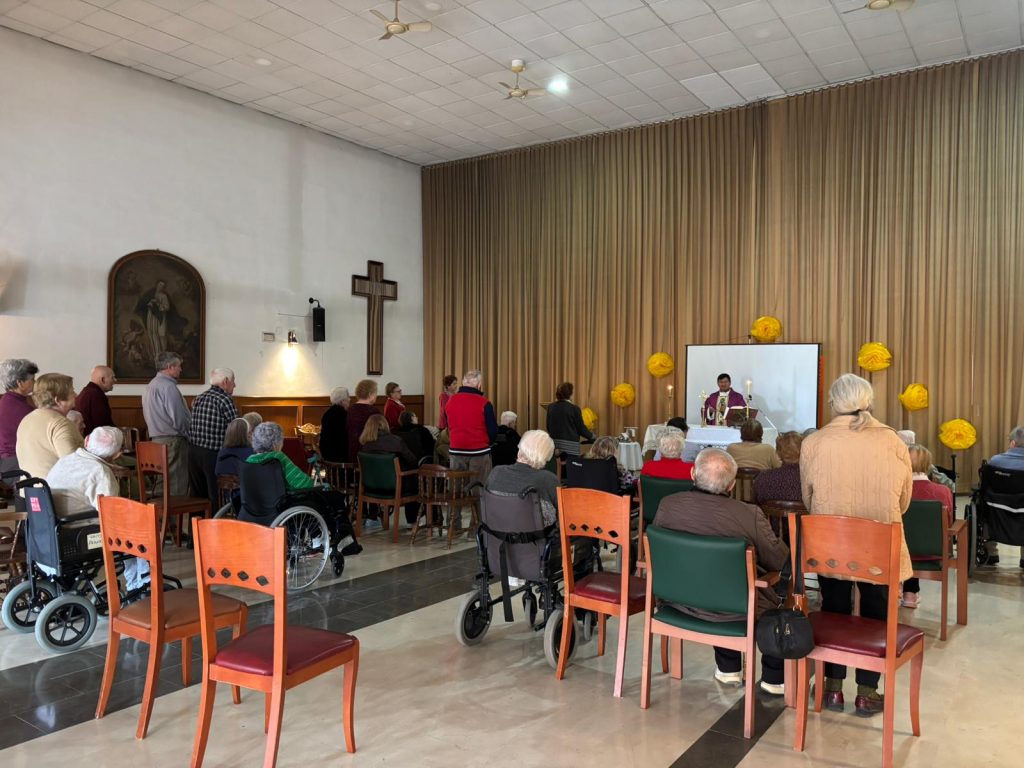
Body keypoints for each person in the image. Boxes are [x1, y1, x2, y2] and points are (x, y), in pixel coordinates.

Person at [800, 373, 912, 717]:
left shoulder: (815, 441)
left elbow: (808, 498)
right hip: (878, 544)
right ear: (869, 401)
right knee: (877, 611)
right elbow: (905, 499)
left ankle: (831, 688)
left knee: (833, 606)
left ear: (833, 402)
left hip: (831, 542)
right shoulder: (891, 440)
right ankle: (867, 692)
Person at [653, 448, 789, 695]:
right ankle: (774, 678)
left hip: (677, 601)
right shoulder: (749, 514)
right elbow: (779, 560)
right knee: (779, 593)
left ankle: (728, 668)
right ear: (731, 485)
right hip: (733, 609)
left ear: (693, 473)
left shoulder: (667, 505)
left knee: (716, 579)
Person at [46, 426, 150, 591]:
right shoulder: (100, 472)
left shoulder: (65, 460)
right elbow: (111, 514)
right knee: (140, 526)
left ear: (87, 440)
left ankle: (138, 578)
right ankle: (142, 579)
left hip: (55, 530)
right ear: (117, 454)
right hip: (80, 534)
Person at [245, 422, 361, 555]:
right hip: (285, 504)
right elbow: (304, 484)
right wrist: (318, 485)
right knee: (334, 497)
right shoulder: (277, 458)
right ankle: (344, 541)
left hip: (258, 505)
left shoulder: (249, 460)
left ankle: (320, 535)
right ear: (276, 442)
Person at [901, 443, 955, 608]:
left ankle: (901, 591)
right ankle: (910, 594)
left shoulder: (897, 491)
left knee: (908, 537)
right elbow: (949, 522)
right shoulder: (943, 491)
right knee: (919, 534)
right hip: (935, 553)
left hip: (898, 552)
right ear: (928, 465)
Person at [16, 373, 84, 479]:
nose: (76, 395)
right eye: (72, 391)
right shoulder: (60, 423)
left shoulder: (27, 419)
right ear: (58, 400)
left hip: (28, 487)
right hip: (55, 488)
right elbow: (73, 464)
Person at [141, 351, 190, 496]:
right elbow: (178, 419)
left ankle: (160, 511)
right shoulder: (168, 387)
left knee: (162, 483)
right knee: (176, 484)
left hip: (156, 440)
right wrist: (189, 435)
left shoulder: (151, 385)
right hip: (173, 441)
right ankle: (174, 512)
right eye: (179, 366)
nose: (181, 369)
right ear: (169, 367)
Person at [486, 430, 560, 525]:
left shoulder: (496, 472)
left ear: (520, 450)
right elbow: (564, 512)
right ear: (545, 457)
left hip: (496, 532)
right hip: (537, 534)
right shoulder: (548, 479)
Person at [188, 368, 239, 507]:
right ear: (225, 381)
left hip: (193, 453)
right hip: (212, 455)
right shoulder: (225, 400)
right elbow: (236, 429)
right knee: (215, 497)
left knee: (197, 497)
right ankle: (214, 521)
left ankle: (196, 521)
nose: (235, 385)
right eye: (233, 381)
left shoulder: (200, 397)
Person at [359, 414, 420, 524]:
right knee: (414, 482)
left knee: (376, 475)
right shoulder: (396, 441)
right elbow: (412, 461)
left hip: (371, 488)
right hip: (395, 487)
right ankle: (412, 521)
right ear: (384, 425)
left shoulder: (365, 446)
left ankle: (372, 517)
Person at [0, 358, 38, 477]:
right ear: (20, 383)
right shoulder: (21, 409)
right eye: (32, 379)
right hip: (16, 465)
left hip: (7, 462)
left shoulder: (6, 400)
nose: (35, 382)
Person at [753, 431, 803, 504]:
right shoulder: (812, 479)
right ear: (805, 451)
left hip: (767, 512)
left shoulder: (763, 478)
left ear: (778, 453)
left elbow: (757, 503)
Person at [545, 382, 594, 456]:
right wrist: (592, 437)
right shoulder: (575, 409)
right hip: (571, 449)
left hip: (554, 447)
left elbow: (548, 427)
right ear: (570, 394)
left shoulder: (550, 407)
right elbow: (581, 429)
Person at [73, 365, 117, 436]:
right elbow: (103, 427)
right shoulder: (95, 395)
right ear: (103, 380)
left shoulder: (88, 391)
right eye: (112, 377)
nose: (115, 380)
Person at [347, 379, 380, 463]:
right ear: (370, 394)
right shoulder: (374, 412)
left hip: (352, 454)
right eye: (375, 393)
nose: (376, 396)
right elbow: (381, 435)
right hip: (370, 456)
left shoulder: (349, 410)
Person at [319, 387, 349, 463]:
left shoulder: (327, 413)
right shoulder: (344, 415)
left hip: (326, 454)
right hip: (340, 457)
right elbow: (344, 439)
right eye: (348, 398)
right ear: (342, 401)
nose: (349, 400)